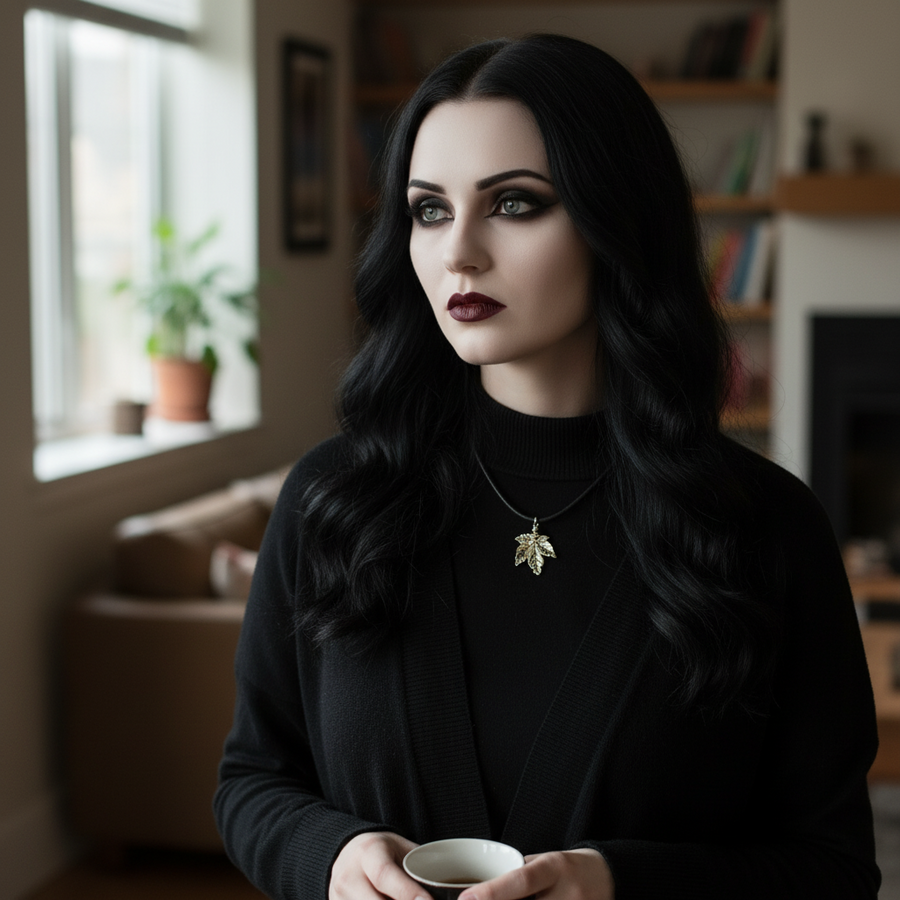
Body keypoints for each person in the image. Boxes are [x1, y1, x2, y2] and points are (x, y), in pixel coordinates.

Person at [214, 34, 880, 900]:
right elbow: (253, 781)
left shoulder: (765, 528)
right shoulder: (333, 499)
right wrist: (332, 858)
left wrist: (619, 884)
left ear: (617, 220)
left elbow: (831, 868)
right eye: (428, 210)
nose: (459, 251)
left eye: (516, 204)